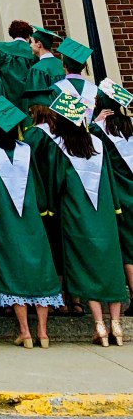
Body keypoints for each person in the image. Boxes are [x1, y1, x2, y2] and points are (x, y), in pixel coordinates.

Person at [0, 97, 62, 349]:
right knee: (40, 268)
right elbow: (37, 183)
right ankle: (43, 332)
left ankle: (25, 332)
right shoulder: (27, 150)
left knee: (12, 269)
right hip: (33, 220)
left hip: (5, 221)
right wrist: (44, 210)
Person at [48, 91, 128, 347]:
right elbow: (109, 180)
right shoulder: (99, 144)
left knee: (86, 265)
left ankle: (99, 326)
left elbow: (56, 182)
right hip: (103, 213)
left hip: (76, 215)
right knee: (110, 264)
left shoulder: (60, 147)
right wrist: (114, 208)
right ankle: (116, 323)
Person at [93, 78, 133, 308]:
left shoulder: (99, 131)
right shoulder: (130, 125)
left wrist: (93, 123)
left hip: (120, 194)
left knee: (129, 249)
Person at [0, 22, 35, 107]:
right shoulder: (33, 52)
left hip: (5, 98)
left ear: (12, 34)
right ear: (28, 36)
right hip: (28, 100)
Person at [24, 28, 66, 97]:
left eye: (31, 42)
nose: (30, 45)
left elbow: (36, 99)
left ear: (39, 44)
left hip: (47, 107)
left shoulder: (37, 70)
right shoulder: (63, 65)